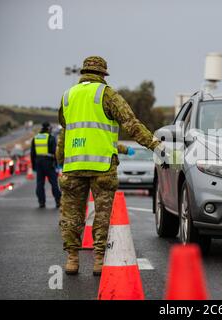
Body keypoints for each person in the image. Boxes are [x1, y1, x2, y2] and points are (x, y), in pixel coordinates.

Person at [56, 56, 165, 276]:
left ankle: (72, 259)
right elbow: (131, 124)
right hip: (102, 166)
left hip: (73, 166)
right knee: (102, 214)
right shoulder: (107, 95)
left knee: (71, 215)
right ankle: (98, 260)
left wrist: (61, 160)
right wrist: (155, 145)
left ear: (83, 73)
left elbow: (64, 133)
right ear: (103, 74)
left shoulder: (67, 96)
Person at [30, 122, 62, 209]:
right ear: (48, 128)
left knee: (40, 184)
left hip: (38, 163)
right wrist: (57, 164)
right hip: (49, 163)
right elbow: (55, 152)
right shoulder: (51, 138)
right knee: (54, 183)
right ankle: (58, 201)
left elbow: (32, 153)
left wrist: (33, 165)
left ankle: (41, 202)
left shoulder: (35, 138)